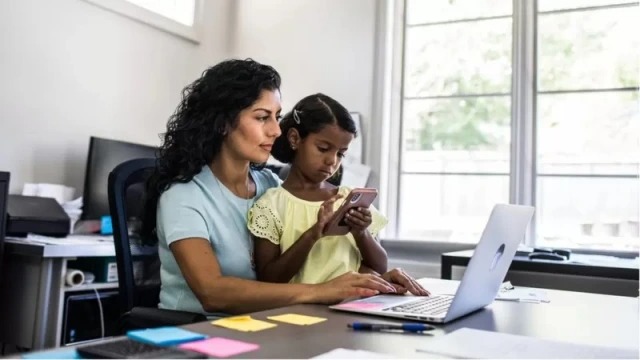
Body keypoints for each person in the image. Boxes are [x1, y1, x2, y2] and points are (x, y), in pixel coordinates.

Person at [141, 59, 424, 317]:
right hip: (198, 332)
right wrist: (321, 292)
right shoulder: (183, 196)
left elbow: (310, 264)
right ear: (223, 123)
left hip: (264, 324)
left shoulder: (272, 187)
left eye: (277, 116)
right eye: (262, 117)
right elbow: (212, 293)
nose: (275, 130)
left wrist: (369, 282)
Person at [247, 94, 428, 297]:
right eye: (323, 149)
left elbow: (379, 265)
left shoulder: (347, 198)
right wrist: (314, 233)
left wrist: (361, 233)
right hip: (300, 315)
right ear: (295, 139)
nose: (332, 161)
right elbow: (269, 279)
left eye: (341, 153)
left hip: (352, 309)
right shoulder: (270, 205)